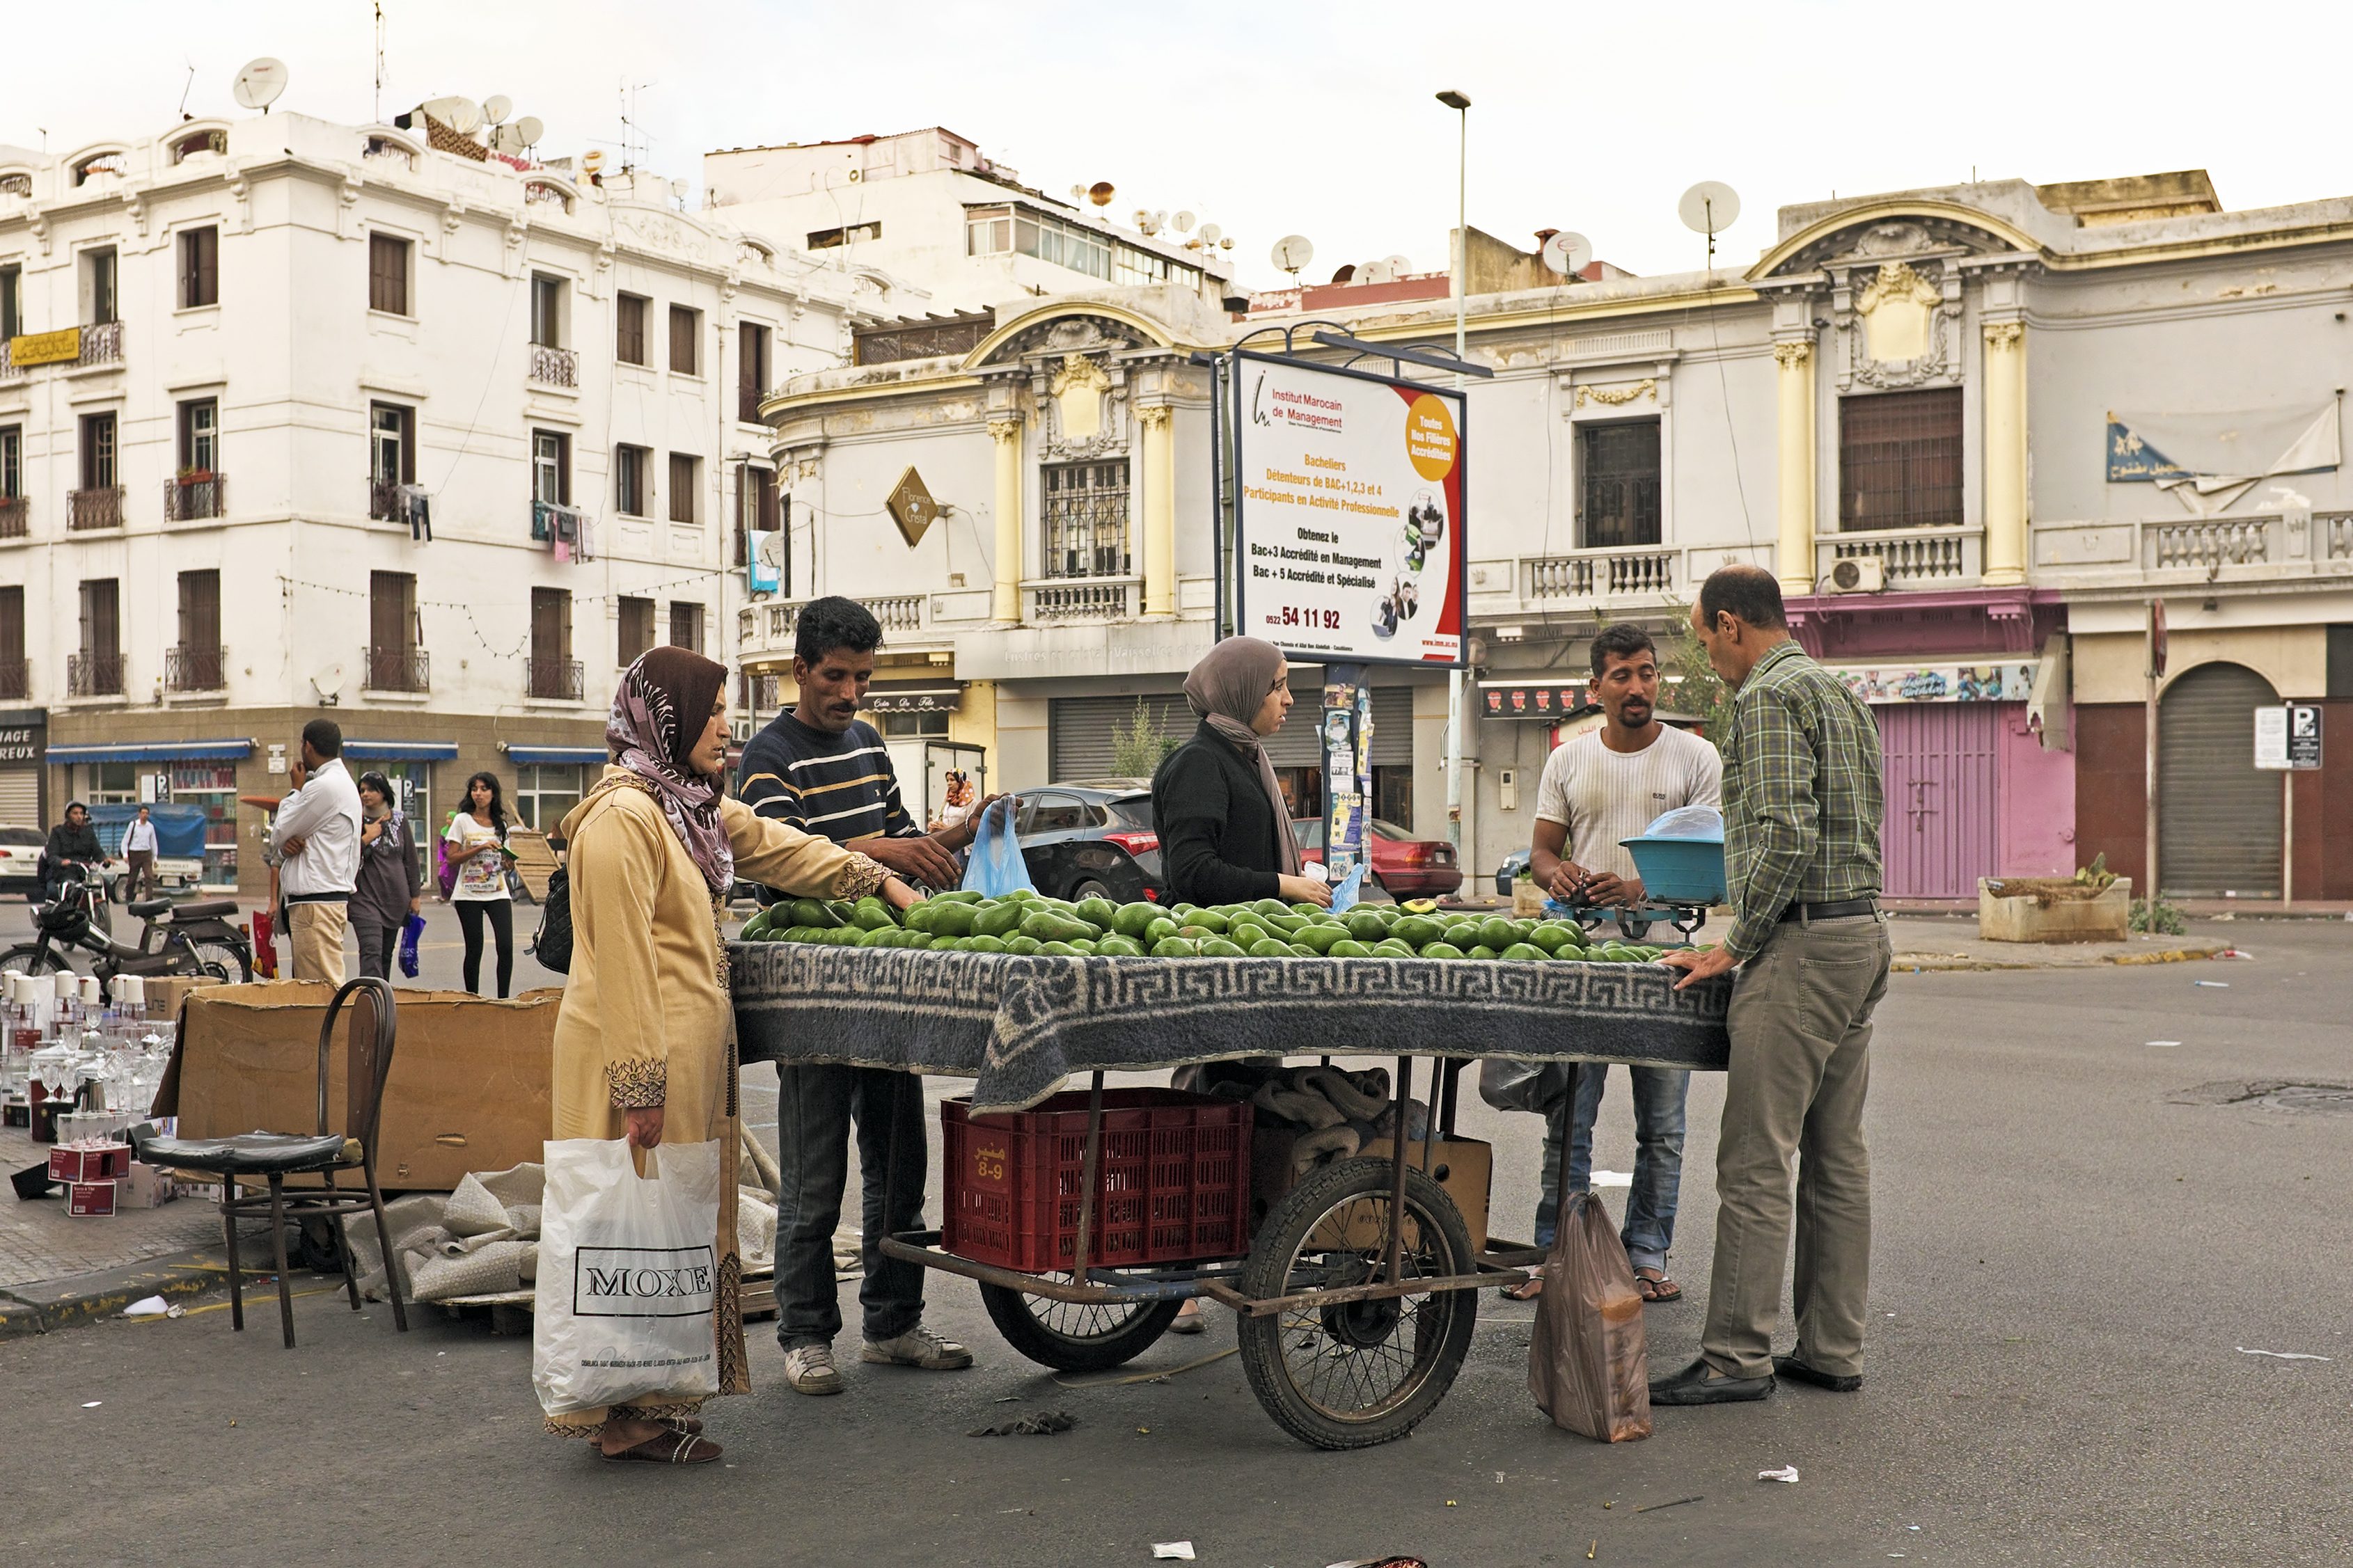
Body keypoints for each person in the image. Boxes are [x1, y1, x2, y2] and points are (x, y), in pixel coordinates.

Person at [542, 647, 922, 1464]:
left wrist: (875, 879)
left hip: (680, 1055)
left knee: (670, 1231)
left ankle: (653, 1402)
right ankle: (624, 1412)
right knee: (629, 1232)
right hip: (633, 1057)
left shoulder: (688, 805)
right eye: (712, 710)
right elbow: (622, 963)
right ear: (668, 718)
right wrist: (639, 1087)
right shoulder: (623, 818)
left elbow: (782, 847)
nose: (725, 726)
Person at [737, 596, 994, 1396]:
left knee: (898, 1168)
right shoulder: (767, 757)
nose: (849, 695)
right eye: (835, 678)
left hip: (891, 986)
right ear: (800, 670)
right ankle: (805, 1334)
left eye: (861, 679)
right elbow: (776, 862)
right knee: (815, 1181)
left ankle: (892, 1324)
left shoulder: (871, 746)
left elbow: (905, 847)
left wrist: (959, 833)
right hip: (813, 994)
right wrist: (874, 852)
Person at [1651, 564, 1890, 1407]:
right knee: (1837, 1156)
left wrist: (1734, 944)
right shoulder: (1839, 692)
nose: (1704, 655)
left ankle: (1734, 1358)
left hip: (1799, 947)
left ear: (1727, 625)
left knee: (1755, 1161)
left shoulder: (1763, 698)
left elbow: (1784, 832)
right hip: (1859, 933)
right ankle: (1831, 1347)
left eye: (1702, 636)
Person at [1507, 623, 1722, 1305]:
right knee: (1570, 1118)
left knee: (1662, 1125)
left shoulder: (1695, 757)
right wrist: (1559, 876)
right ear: (1594, 686)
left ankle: (1647, 1255)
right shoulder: (1567, 761)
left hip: (1670, 960)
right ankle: (1557, 1253)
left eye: (1647, 673)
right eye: (1622, 676)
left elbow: (1714, 873)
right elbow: (1539, 852)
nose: (1637, 687)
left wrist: (1640, 888)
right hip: (1584, 958)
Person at [1151, 634, 1333, 1331]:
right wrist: (1282, 885)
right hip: (1208, 975)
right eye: (1277, 685)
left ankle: (1232, 1264)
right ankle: (1178, 1281)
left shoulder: (1243, 757)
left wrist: (1293, 886)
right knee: (1199, 1124)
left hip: (1248, 970)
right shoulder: (1199, 764)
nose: (1287, 698)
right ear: (1241, 691)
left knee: (1248, 1119)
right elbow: (1189, 876)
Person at [272, 720, 363, 984]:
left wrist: (294, 790)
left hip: (316, 902)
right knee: (313, 987)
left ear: (308, 746)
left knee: (320, 990)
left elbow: (279, 832)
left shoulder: (323, 786)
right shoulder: (337, 782)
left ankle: (333, 1028)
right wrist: (289, 847)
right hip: (320, 899)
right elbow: (290, 840)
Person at [445, 773, 515, 998]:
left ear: (493, 793)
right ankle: (472, 998)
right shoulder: (462, 820)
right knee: (475, 948)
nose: (479, 793)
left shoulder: (500, 825)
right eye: (475, 789)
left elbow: (506, 865)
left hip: (498, 891)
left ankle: (503, 998)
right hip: (468, 894)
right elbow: (452, 858)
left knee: (505, 946)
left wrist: (507, 862)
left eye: (484, 789)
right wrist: (481, 847)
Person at [350, 772, 422, 983]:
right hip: (364, 898)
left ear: (383, 792)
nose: (365, 794)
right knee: (371, 950)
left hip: (395, 900)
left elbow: (410, 860)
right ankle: (369, 1002)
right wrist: (366, 838)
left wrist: (415, 896)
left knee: (384, 956)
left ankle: (382, 1003)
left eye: (371, 789)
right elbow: (344, 854)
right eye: (362, 790)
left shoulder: (400, 820)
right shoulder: (355, 819)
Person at [42, 801, 104, 901]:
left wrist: (105, 860)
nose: (79, 816)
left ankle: (101, 912)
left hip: (85, 872)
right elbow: (52, 855)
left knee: (105, 885)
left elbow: (98, 853)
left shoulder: (88, 832)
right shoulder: (57, 832)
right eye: (75, 813)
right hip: (65, 872)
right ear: (68, 815)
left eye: (81, 814)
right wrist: (61, 862)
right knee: (72, 889)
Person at [121, 805, 159, 901]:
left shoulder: (150, 827)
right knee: (132, 879)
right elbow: (125, 840)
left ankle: (149, 899)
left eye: (146, 813)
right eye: (143, 813)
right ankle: (129, 898)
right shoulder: (133, 825)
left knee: (149, 877)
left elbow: (153, 842)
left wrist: (155, 857)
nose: (145, 815)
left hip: (146, 854)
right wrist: (125, 854)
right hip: (135, 854)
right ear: (139, 814)